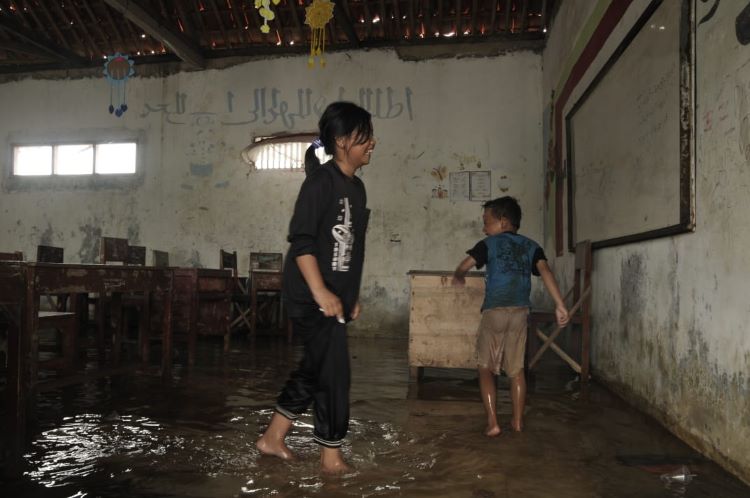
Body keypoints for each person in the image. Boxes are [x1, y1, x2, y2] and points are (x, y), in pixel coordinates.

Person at [256, 101, 376, 474]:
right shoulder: (320, 182)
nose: (373, 143)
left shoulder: (358, 189)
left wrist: (349, 296)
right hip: (310, 294)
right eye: (365, 137)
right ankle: (331, 456)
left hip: (334, 299)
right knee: (335, 371)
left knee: (315, 368)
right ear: (342, 141)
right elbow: (302, 242)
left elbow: (352, 249)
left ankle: (272, 439)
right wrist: (322, 292)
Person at [452, 196, 569, 436]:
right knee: (516, 371)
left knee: (485, 367)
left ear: (503, 222)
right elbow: (545, 271)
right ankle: (517, 422)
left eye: (487, 222)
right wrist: (560, 305)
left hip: (495, 311)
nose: (484, 228)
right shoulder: (531, 246)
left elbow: (466, 263)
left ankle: (493, 422)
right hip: (520, 312)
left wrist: (459, 274)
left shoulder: (489, 244)